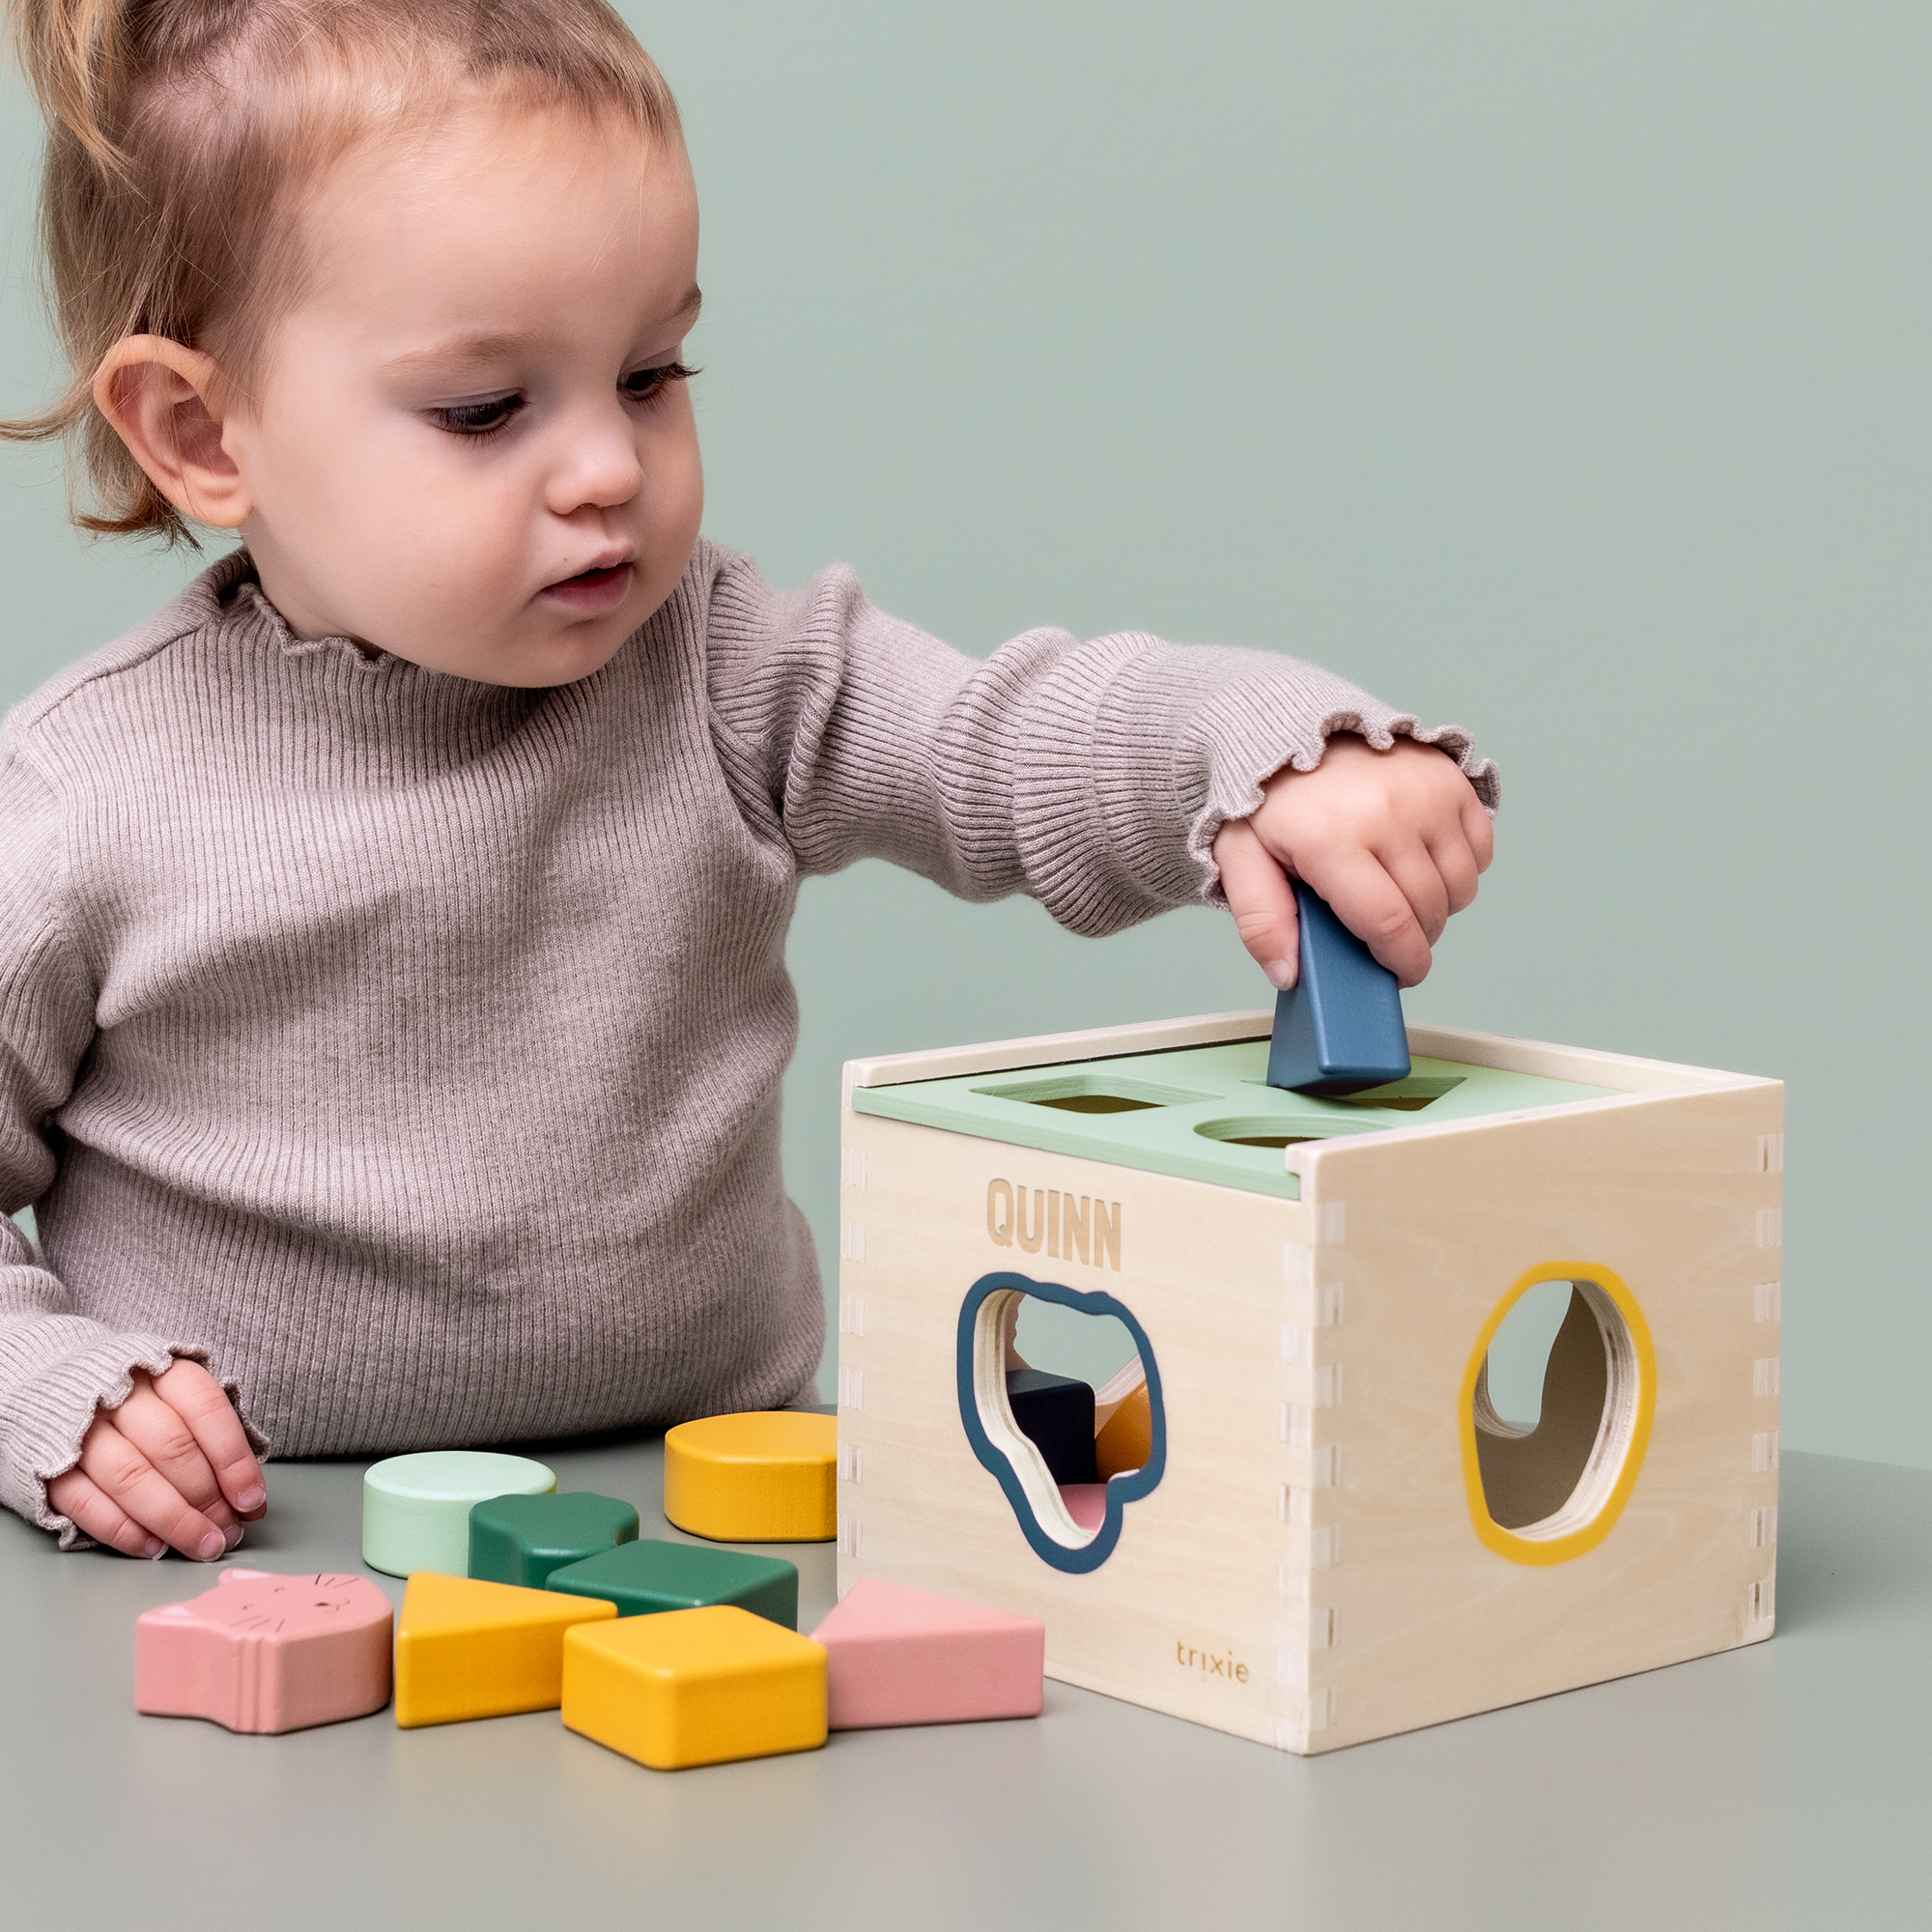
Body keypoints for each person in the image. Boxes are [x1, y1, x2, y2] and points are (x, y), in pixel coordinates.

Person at [0, 0, 1496, 1562]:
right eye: (488, 409)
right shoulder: (80, 793)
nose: (609, 469)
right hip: (260, 1544)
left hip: (720, 1516)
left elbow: (1001, 737)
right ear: (199, 429)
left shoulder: (724, 668)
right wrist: (48, 1388)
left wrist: (1265, 752)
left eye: (651, 372)